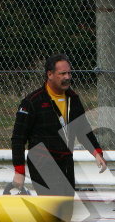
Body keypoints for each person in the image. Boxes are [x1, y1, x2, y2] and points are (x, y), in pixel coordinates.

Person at [11, 54, 107, 197]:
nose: (67, 77)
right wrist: (19, 171)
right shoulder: (32, 102)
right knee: (53, 205)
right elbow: (18, 138)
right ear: (50, 74)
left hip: (66, 161)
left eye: (69, 73)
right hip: (42, 161)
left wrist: (96, 153)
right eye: (62, 74)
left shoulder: (73, 99)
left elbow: (83, 130)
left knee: (66, 206)